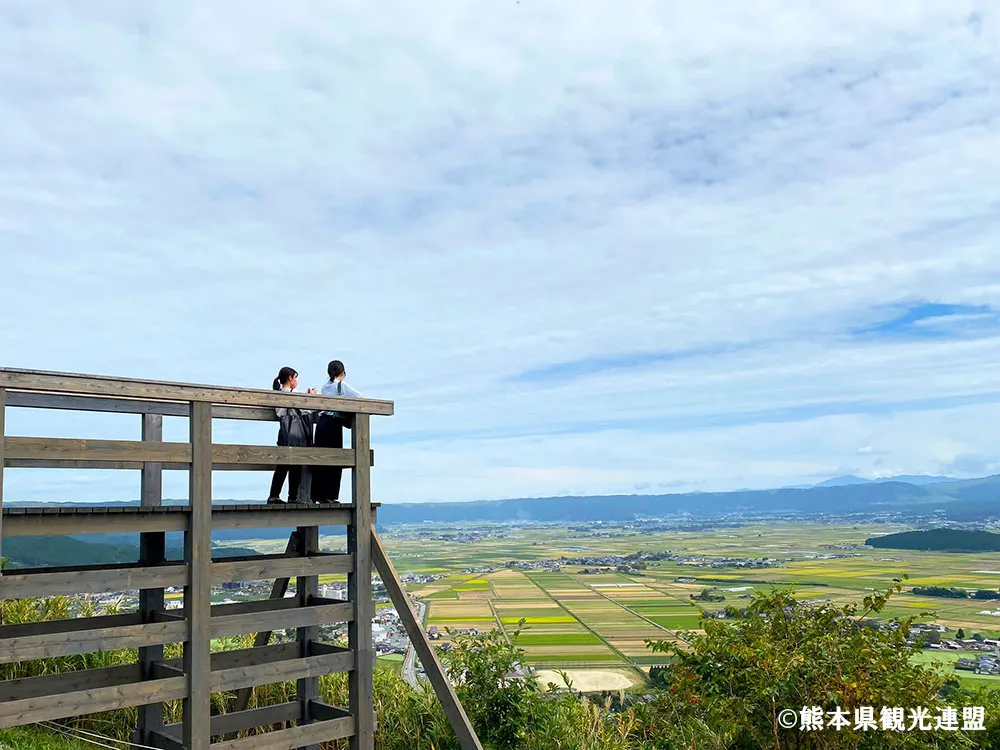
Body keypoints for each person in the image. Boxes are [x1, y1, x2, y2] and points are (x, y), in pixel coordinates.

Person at [311, 360, 363, 504]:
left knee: (320, 459)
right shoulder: (342, 385)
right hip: (334, 424)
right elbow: (360, 398)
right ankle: (330, 495)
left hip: (322, 424)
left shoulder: (325, 387)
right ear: (342, 373)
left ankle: (317, 495)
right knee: (336, 459)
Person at [267, 367, 316, 504]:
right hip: (297, 435)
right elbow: (308, 409)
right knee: (296, 464)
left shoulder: (278, 394)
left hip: (284, 432)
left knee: (282, 465)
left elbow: (279, 412)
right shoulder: (294, 394)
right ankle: (292, 497)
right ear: (290, 378)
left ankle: (274, 495)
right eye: (295, 377)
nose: (296, 381)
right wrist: (311, 397)